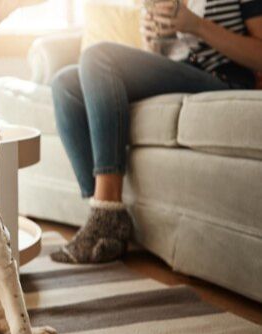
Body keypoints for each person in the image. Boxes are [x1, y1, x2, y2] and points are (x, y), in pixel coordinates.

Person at [49, 0, 262, 264]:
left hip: (224, 79)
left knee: (98, 56)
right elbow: (161, 60)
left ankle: (107, 214)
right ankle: (102, 215)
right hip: (179, 74)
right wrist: (153, 39)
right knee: (65, 84)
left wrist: (197, 26)